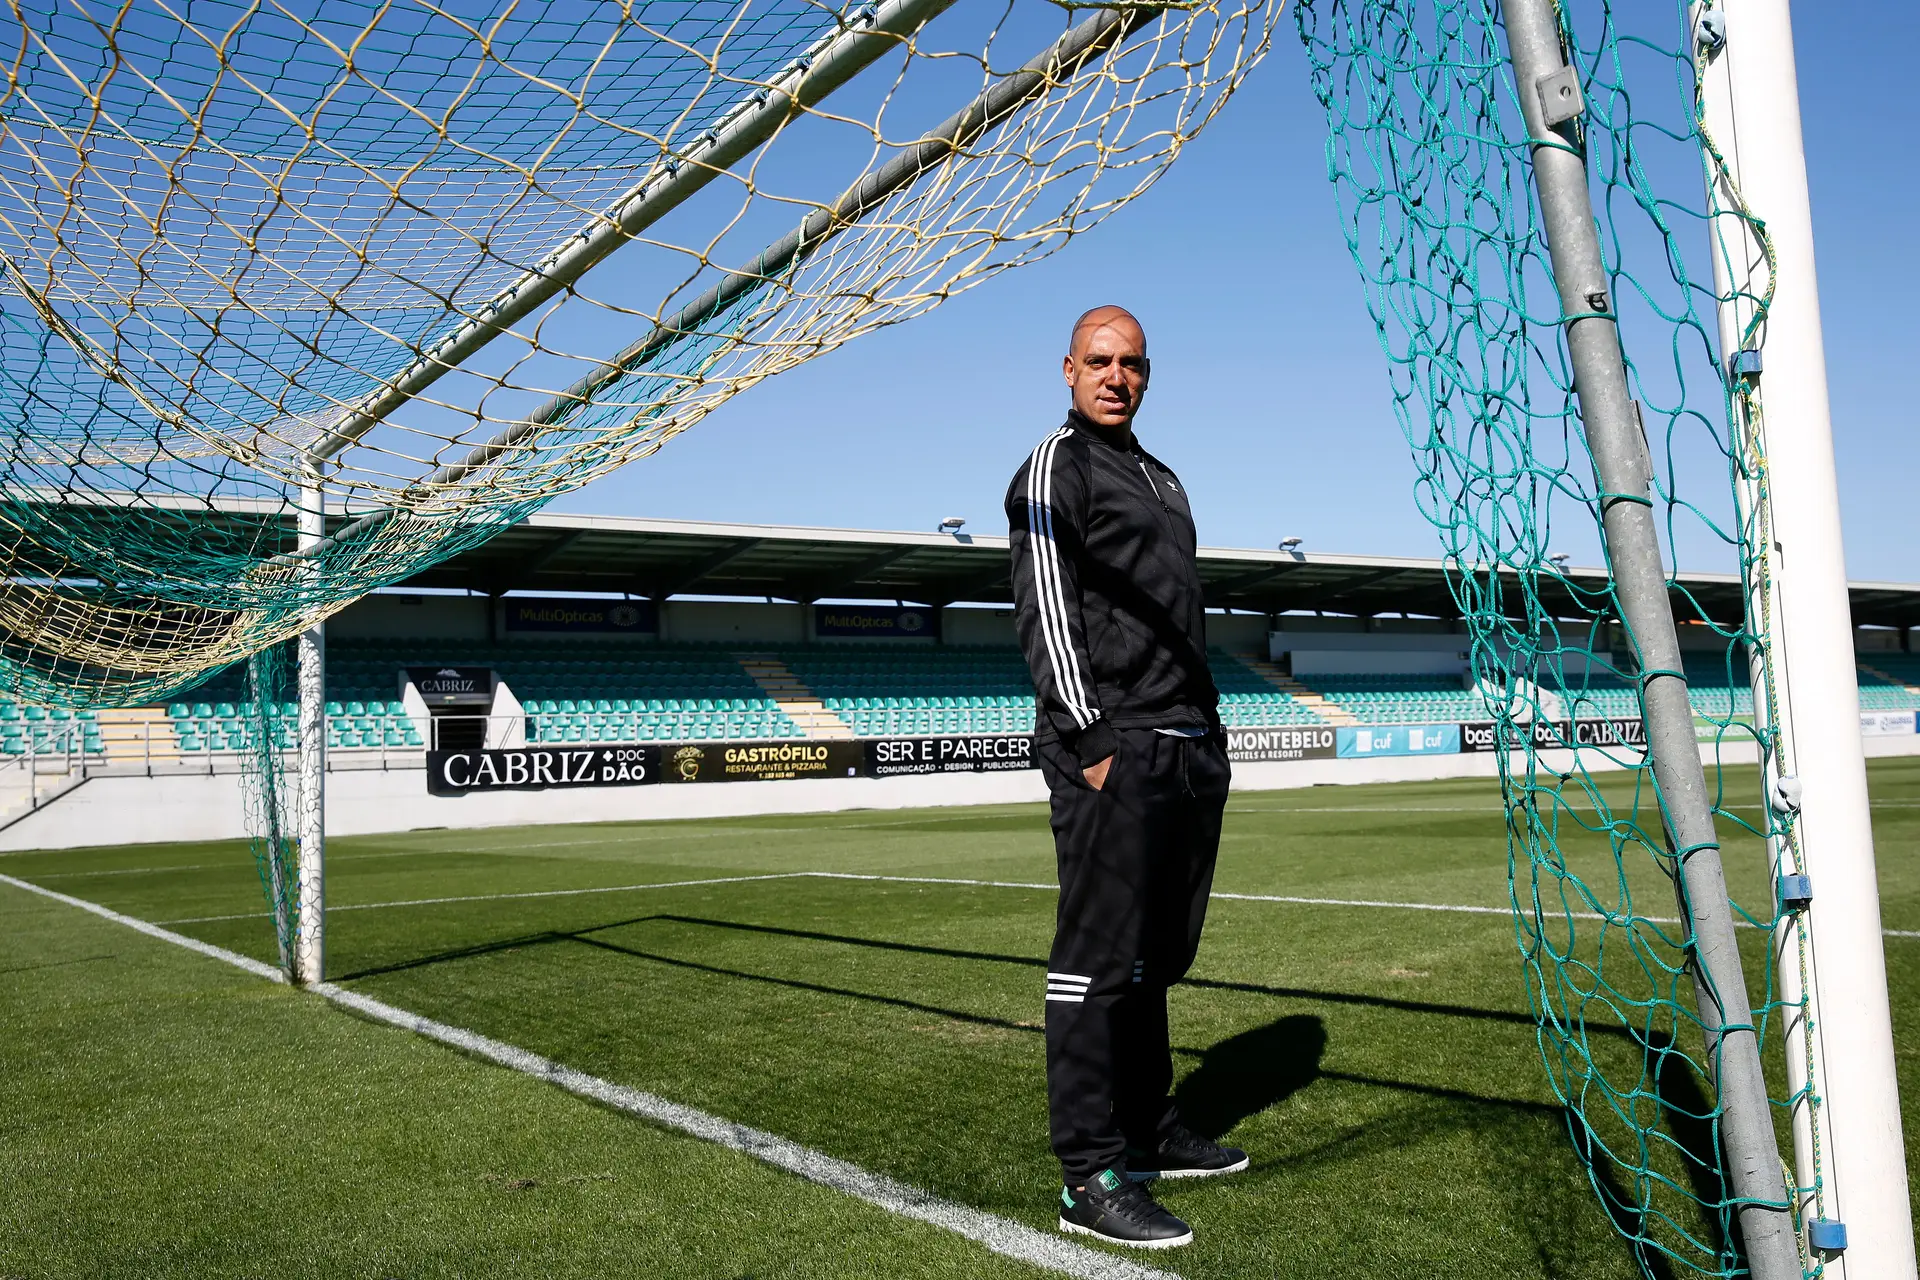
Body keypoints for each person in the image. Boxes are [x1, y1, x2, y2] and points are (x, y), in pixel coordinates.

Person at [1005, 305, 1243, 1250]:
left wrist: (1208, 727)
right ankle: (1091, 1171)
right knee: (1097, 968)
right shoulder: (1052, 466)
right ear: (1067, 368)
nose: (1116, 377)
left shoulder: (1163, 475)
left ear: (1149, 374)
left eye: (1132, 364)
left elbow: (1177, 614)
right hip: (1114, 743)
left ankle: (1148, 1130)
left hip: (1187, 742)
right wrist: (1093, 736)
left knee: (1159, 959)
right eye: (1099, 361)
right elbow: (1045, 607)